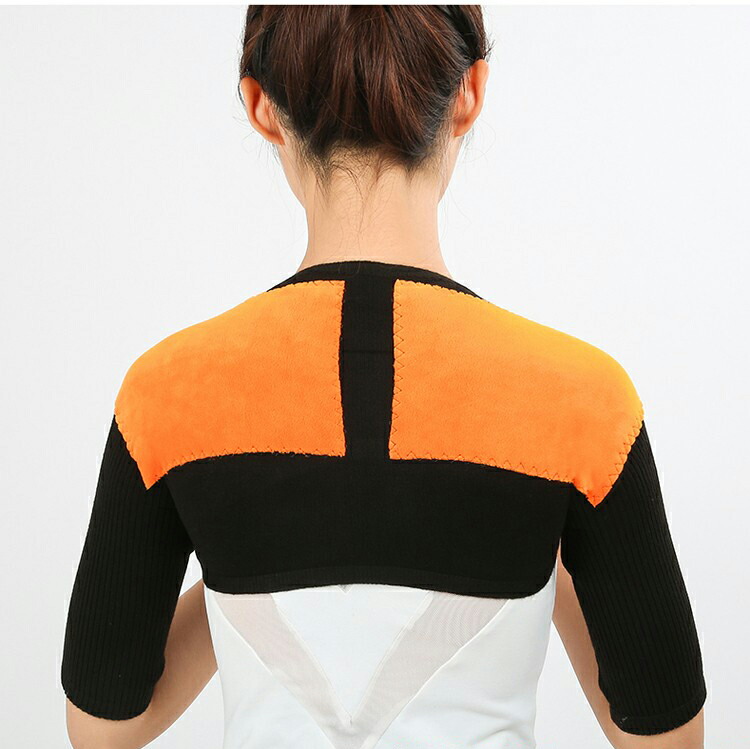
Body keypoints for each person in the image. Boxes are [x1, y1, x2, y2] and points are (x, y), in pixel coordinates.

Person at [61, 6, 707, 749]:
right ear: (469, 93)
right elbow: (666, 738)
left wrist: (238, 547)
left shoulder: (169, 393)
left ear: (261, 105)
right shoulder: (583, 400)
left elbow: (103, 730)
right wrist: (545, 544)